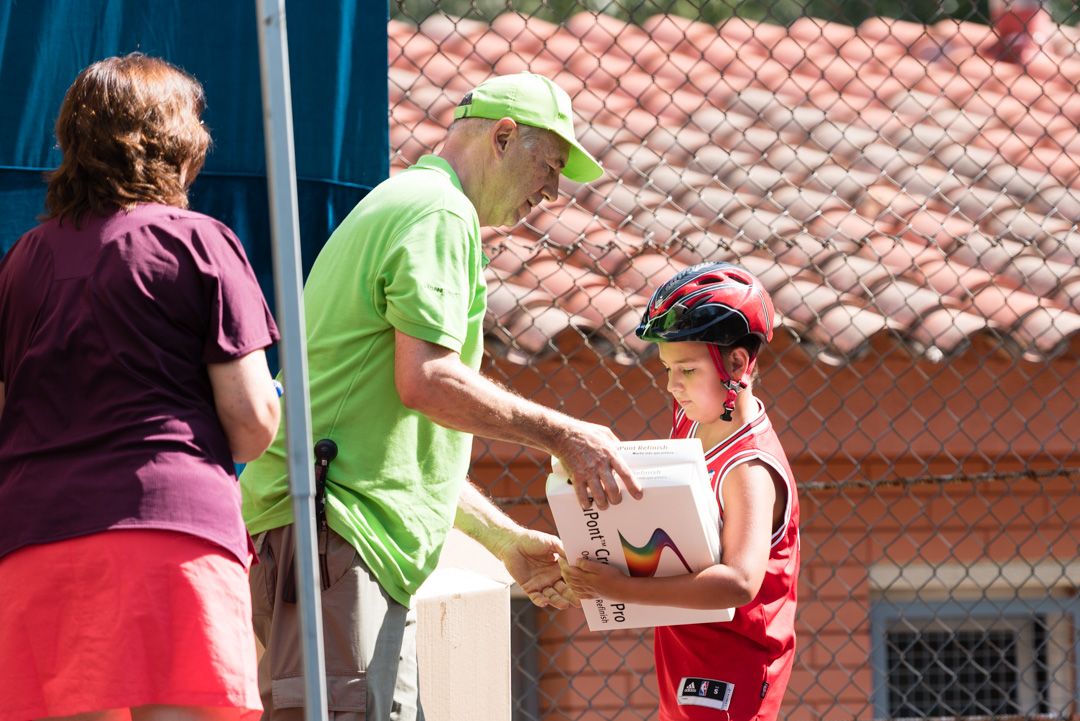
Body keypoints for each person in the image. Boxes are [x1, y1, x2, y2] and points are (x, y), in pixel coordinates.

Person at [240, 71, 642, 720]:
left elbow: (393, 443)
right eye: (550, 164)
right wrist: (567, 435)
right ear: (503, 137)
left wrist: (505, 540)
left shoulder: (413, 204)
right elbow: (428, 382)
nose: (552, 191)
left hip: (334, 542)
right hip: (336, 544)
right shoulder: (438, 213)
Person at [0, 54, 281, 721]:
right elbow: (249, 419)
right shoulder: (200, 245)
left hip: (34, 538)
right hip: (170, 531)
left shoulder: (20, 262)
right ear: (180, 147)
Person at [560, 262, 801, 721]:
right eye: (667, 368)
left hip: (733, 668)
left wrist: (620, 587)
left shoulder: (748, 468)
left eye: (687, 370)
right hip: (686, 644)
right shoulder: (695, 418)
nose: (672, 384)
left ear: (737, 364)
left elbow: (740, 583)